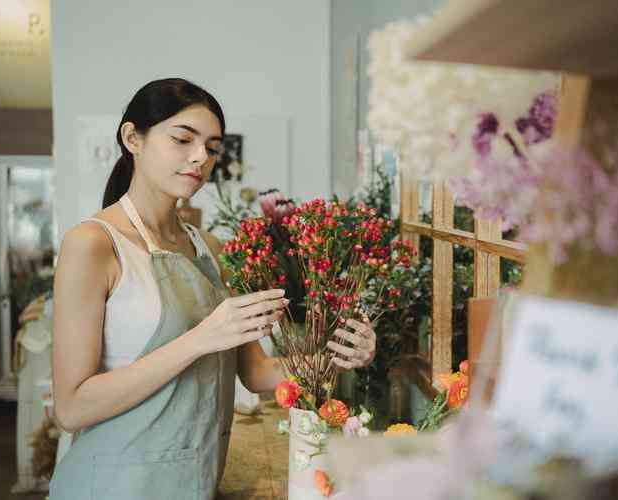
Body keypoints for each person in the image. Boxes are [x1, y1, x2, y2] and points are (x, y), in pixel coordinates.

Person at [48, 78, 376, 500]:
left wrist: (337, 357)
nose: (200, 157)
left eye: (213, 147)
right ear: (133, 138)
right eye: (183, 139)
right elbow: (72, 409)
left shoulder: (210, 248)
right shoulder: (92, 244)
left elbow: (256, 372)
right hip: (113, 486)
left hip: (194, 484)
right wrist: (200, 339)